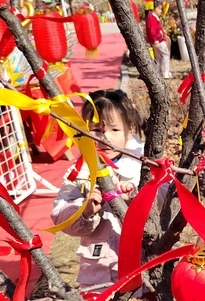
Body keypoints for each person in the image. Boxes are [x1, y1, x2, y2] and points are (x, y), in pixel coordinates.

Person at [51, 89, 146, 289]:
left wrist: (138, 197)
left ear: (130, 130)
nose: (105, 138)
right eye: (96, 129)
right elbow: (59, 216)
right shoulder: (80, 171)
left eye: (114, 130)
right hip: (99, 270)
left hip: (142, 264)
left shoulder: (142, 165)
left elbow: (164, 199)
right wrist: (84, 211)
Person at [145, 0, 172, 79]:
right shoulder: (152, 17)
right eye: (159, 9)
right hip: (158, 40)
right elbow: (152, 30)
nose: (160, 11)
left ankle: (159, 72)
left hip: (157, 39)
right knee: (166, 55)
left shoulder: (151, 17)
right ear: (154, 8)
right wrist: (156, 40)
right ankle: (166, 72)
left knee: (159, 57)